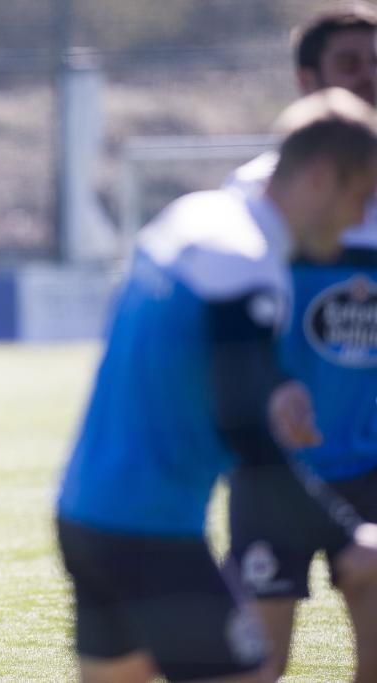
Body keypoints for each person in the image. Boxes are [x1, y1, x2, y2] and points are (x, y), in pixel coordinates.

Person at [55, 88, 377, 683]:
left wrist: (271, 383)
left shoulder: (196, 216)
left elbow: (198, 361)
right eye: (360, 198)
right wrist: (343, 537)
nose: (361, 220)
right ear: (321, 177)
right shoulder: (249, 262)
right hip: (153, 532)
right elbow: (244, 429)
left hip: (84, 512)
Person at [225, 4, 377, 680]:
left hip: (373, 469)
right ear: (306, 78)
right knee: (262, 666)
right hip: (274, 470)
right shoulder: (260, 197)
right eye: (351, 65)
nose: (369, 79)